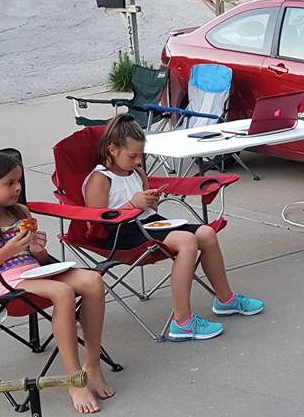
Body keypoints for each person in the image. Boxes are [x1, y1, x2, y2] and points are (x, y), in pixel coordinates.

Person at [0, 152, 115, 413]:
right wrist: (7, 251)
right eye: (9, 183)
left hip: (34, 272)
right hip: (1, 281)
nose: (18, 188)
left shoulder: (21, 212)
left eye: (19, 181)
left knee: (93, 281)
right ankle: (74, 380)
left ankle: (93, 365)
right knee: (62, 292)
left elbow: (35, 257)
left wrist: (39, 250)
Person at [83, 114, 264, 342]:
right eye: (132, 156)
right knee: (187, 242)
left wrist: (151, 200)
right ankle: (182, 322)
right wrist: (131, 205)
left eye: (140, 155)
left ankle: (225, 299)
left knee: (206, 233)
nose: (138, 161)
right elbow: (95, 220)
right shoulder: (101, 178)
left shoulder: (136, 172)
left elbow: (148, 208)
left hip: (148, 222)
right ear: (112, 149)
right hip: (120, 232)